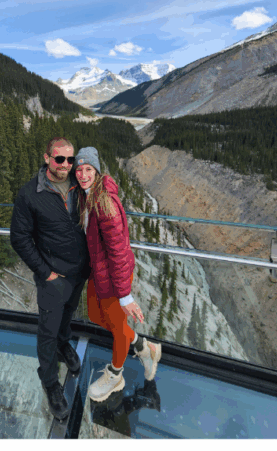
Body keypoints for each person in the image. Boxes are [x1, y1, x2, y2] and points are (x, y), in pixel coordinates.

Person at [10, 137, 91, 420]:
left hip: (79, 271)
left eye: (70, 160)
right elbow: (19, 238)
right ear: (47, 158)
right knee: (47, 329)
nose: (66, 165)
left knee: (66, 316)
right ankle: (50, 382)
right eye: (60, 159)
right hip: (53, 276)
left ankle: (63, 343)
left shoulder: (79, 187)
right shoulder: (30, 193)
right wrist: (46, 273)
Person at [74, 147, 161, 402]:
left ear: (97, 171)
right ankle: (146, 348)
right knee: (95, 315)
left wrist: (124, 295)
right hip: (99, 273)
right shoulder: (88, 195)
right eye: (79, 170)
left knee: (118, 327)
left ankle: (115, 376)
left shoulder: (104, 203)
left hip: (113, 278)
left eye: (88, 169)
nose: (83, 174)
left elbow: (119, 251)